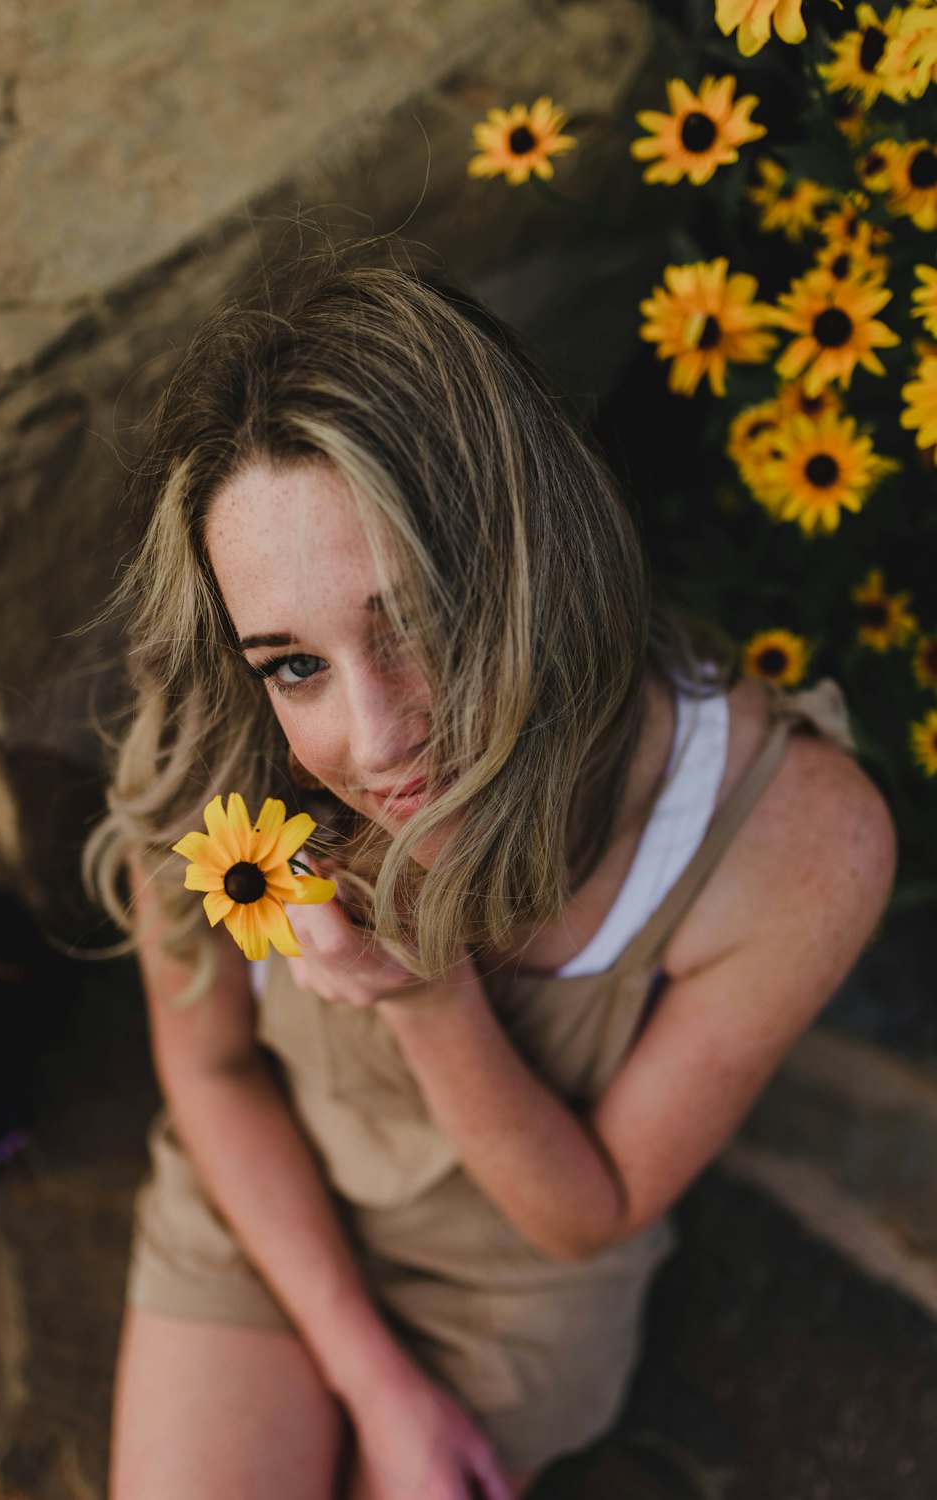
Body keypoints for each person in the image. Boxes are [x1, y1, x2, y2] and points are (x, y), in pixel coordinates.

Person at [87, 244, 895, 1500]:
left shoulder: (787, 835)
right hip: (273, 1214)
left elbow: (589, 1210)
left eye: (408, 619)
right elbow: (211, 1071)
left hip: (514, 1292)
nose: (376, 733)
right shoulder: (217, 752)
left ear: (532, 561)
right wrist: (368, 1379)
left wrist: (425, 995)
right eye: (294, 662)